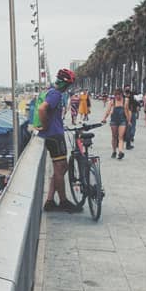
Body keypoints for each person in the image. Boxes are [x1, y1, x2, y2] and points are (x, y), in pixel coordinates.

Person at [34, 68, 84, 212]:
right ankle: (63, 201)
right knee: (60, 168)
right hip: (54, 136)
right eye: (69, 85)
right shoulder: (56, 94)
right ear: (65, 84)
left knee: (61, 168)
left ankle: (50, 200)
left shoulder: (50, 91)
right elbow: (42, 109)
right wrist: (45, 126)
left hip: (53, 135)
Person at [102, 88, 128, 160]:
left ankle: (120, 152)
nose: (117, 96)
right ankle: (114, 151)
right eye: (116, 95)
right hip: (114, 120)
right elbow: (108, 111)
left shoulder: (125, 102)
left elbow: (127, 111)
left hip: (122, 120)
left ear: (121, 95)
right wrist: (104, 118)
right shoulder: (112, 102)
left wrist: (128, 121)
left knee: (121, 136)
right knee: (114, 136)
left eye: (119, 95)